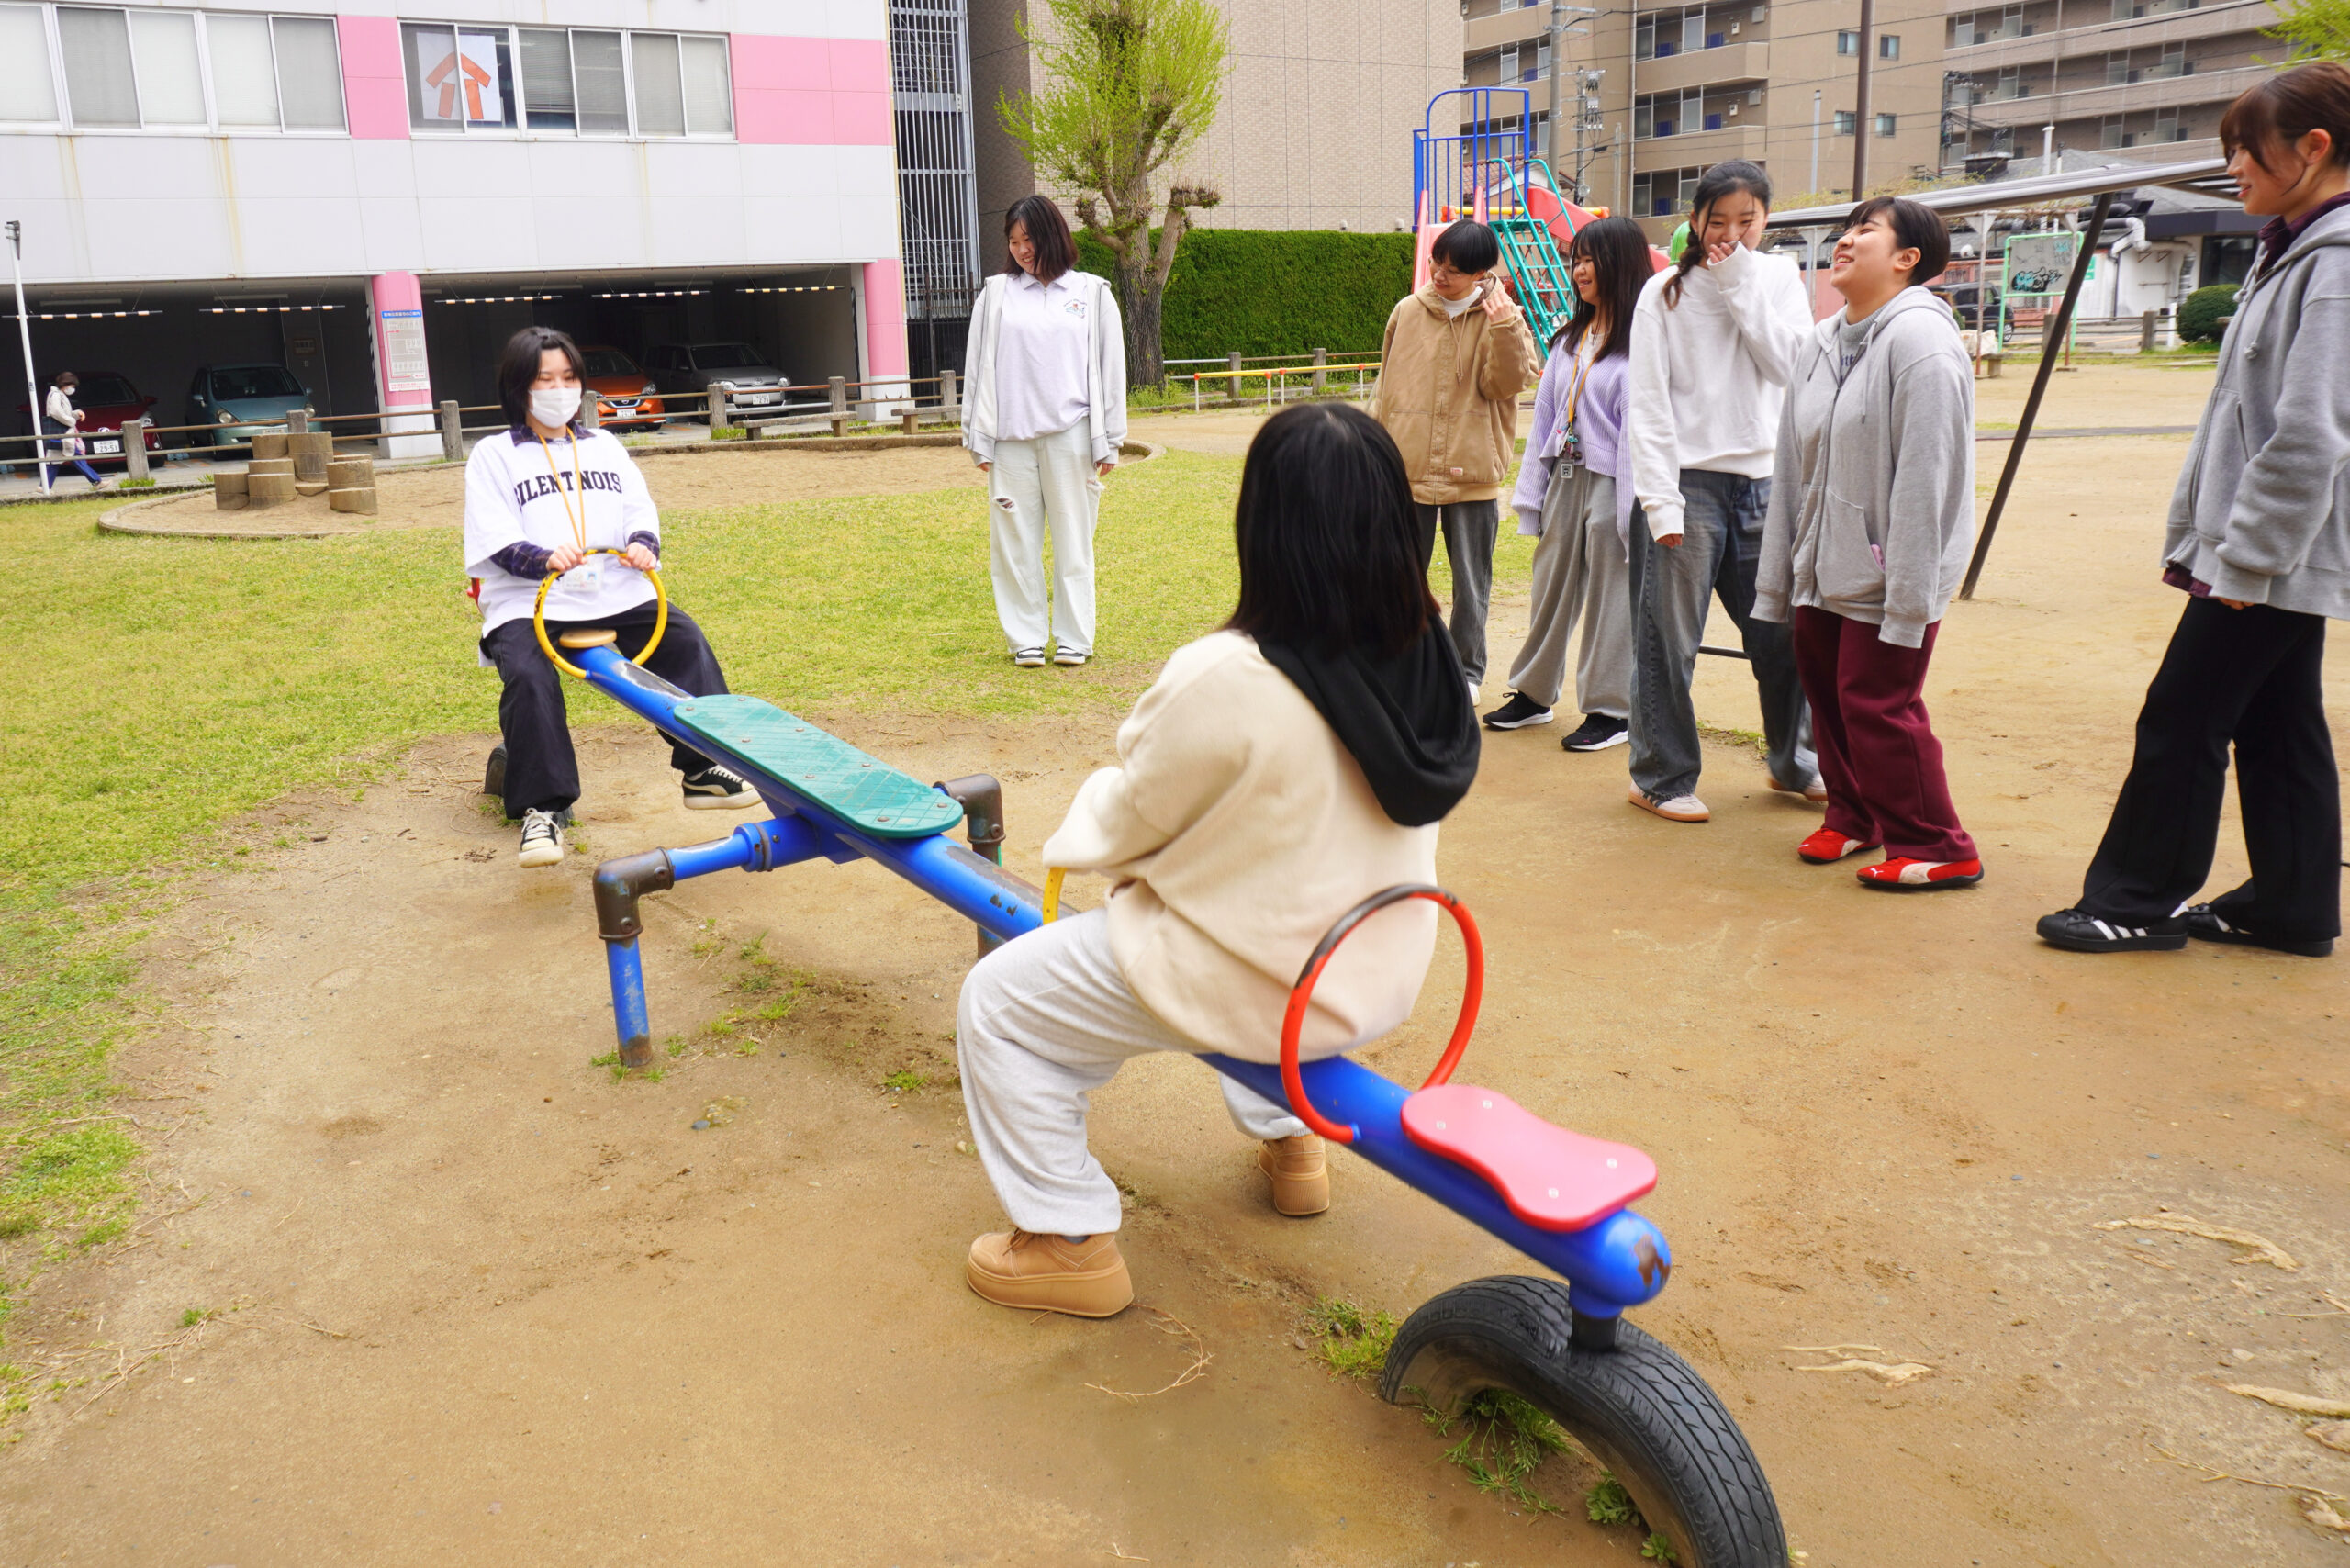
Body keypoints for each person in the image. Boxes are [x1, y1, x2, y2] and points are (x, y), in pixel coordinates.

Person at [955, 401, 1480, 1317]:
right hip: (1373, 970)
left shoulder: (1227, 673)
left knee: (999, 1003)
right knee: (1260, 894)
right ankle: (1293, 1143)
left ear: (1262, 524)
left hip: (1260, 981)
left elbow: (1133, 818)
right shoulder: (1430, 655)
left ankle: (1066, 1240)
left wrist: (1085, 828)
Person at [2038, 62, 2350, 958]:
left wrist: (2245, 557)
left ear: (2313, 148)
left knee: (2181, 714)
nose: (2232, 168)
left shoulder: (2334, 263)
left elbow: (2311, 431)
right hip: (2275, 546)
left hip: (2271, 550)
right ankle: (2291, 907)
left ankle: (2135, 900)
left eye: (2244, 150)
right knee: (2277, 721)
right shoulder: (2296, 247)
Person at [464, 326, 759, 869]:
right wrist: (541, 557)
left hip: (614, 589)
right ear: (519, 386)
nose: (559, 389)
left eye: (568, 377)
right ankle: (542, 810)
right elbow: (494, 536)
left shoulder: (603, 444)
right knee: (529, 676)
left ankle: (703, 767)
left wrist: (643, 544)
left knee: (684, 639)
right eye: (544, 379)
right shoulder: (493, 454)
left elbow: (637, 509)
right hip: (531, 599)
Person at [1753, 197, 1983, 890]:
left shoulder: (1922, 341)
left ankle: (1939, 844)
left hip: (1891, 569)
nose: (1846, 241)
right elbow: (1790, 464)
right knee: (1828, 696)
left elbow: (1929, 477)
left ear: (1908, 258)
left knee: (1878, 704)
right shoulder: (1822, 342)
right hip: (1823, 562)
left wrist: (1908, 592)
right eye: (1847, 229)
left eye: (1866, 231)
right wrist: (1783, 571)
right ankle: (1854, 815)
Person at [1623, 160, 1819, 823]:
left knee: (1782, 634)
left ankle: (1795, 762)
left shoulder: (1778, 278)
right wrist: (1660, 500)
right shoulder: (1663, 293)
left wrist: (1740, 285)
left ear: (1767, 220)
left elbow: (1790, 368)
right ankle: (1661, 776)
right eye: (1718, 221)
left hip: (1765, 482)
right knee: (1668, 642)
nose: (1731, 234)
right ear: (1695, 219)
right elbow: (1648, 403)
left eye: (1747, 220)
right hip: (1685, 483)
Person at [1484, 216, 1651, 751]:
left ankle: (1610, 710)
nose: (1579, 270)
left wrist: (1628, 513)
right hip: (1566, 475)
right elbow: (1544, 421)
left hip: (1614, 481)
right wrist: (1531, 497)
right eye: (1575, 259)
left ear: (1620, 265)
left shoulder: (1643, 343)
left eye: (1589, 260)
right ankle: (1534, 694)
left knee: (1609, 597)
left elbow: (1637, 435)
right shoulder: (1568, 340)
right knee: (1549, 586)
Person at [1372, 218, 1539, 702]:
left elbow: (1505, 385)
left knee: (1472, 583)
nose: (1440, 276)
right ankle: (1402, 664)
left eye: (1454, 270)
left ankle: (1467, 672)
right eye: (1436, 263)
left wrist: (1504, 326)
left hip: (1474, 469)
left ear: (1481, 273)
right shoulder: (1407, 311)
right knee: (1400, 577)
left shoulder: (1502, 317)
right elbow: (1385, 387)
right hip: (1407, 469)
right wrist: (1372, 451)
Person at [961, 195, 1128, 669]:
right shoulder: (996, 294)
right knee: (1014, 544)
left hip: (1072, 436)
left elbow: (1111, 368)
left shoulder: (1092, 293)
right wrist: (977, 437)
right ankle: (1026, 639)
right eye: (1013, 241)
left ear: (1052, 235)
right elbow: (976, 368)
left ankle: (1075, 638)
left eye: (1029, 239)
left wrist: (1110, 439)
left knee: (1074, 541)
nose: (1021, 250)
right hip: (1010, 441)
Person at [42, 372, 104, 491]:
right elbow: (56, 412)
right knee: (75, 456)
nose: (73, 389)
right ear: (66, 384)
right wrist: (71, 421)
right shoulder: (56, 395)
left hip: (60, 434)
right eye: (72, 386)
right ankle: (96, 481)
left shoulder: (58, 394)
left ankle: (43, 486)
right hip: (63, 433)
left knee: (54, 462)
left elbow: (62, 413)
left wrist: (76, 414)